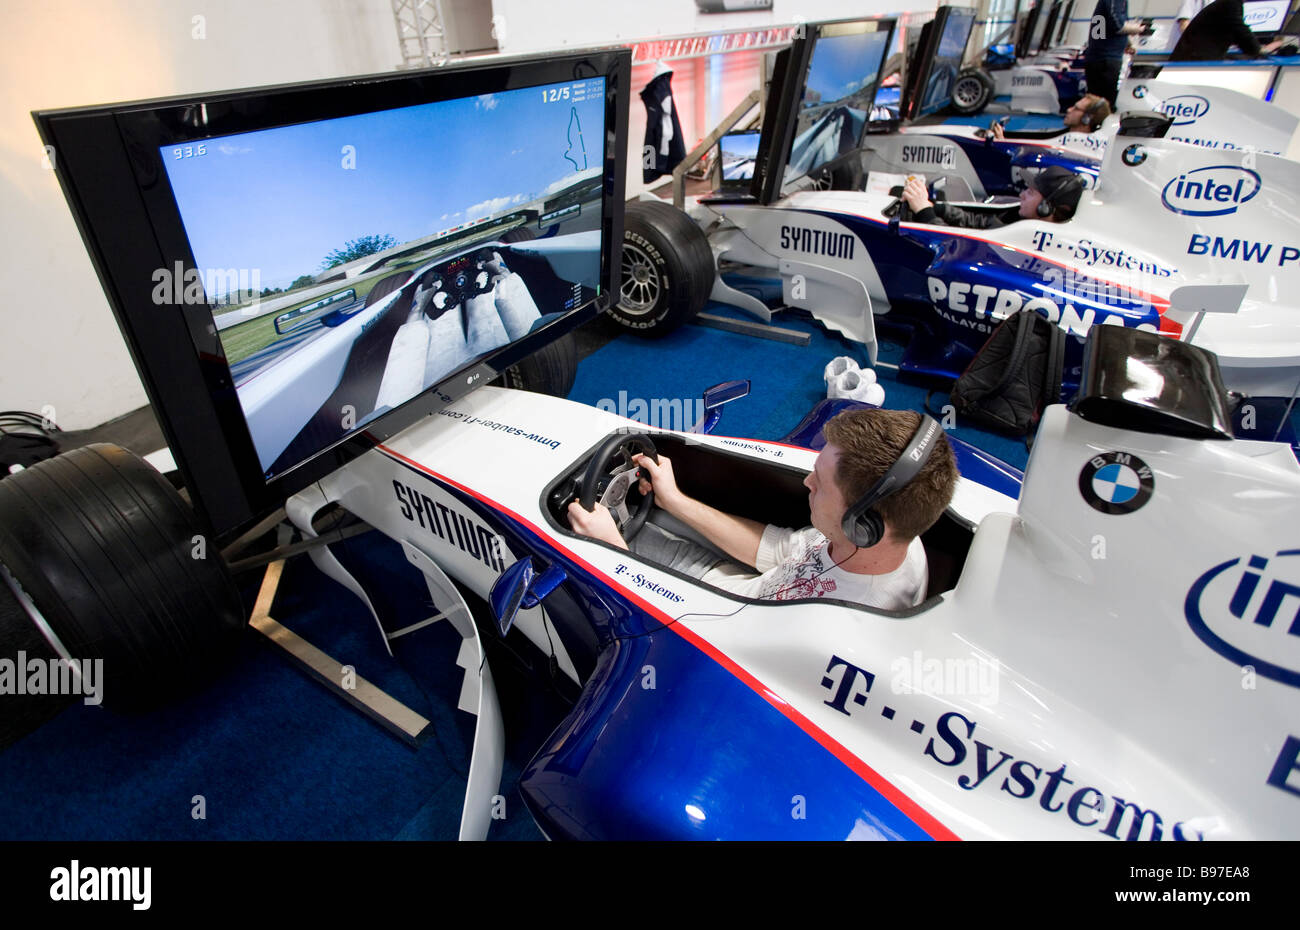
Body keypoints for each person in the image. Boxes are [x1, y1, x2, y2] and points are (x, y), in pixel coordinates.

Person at [566, 409, 959, 610]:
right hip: (743, 585)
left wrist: (610, 552)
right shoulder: (872, 541)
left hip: (712, 617)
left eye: (819, 485)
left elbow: (711, 641)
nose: (807, 483)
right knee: (653, 515)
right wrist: (677, 501)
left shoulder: (831, 625)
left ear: (864, 525)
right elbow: (777, 551)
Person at [900, 164, 1085, 229]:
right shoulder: (1021, 223)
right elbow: (978, 222)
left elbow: (954, 248)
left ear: (1046, 208)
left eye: (1030, 192)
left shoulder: (1026, 242)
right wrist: (933, 207)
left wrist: (924, 211)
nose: (1022, 195)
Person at [1169, 0, 1289, 60]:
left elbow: (1237, 34)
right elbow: (1240, 30)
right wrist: (1262, 50)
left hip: (1196, 59)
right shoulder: (1229, 3)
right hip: (1192, 62)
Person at [1082, 0, 1150, 107]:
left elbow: (1113, 24)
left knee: (1098, 102)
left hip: (1102, 56)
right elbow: (1117, 24)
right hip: (1104, 58)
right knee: (1103, 104)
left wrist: (1127, 44)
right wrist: (1139, 29)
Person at [991, 94, 1112, 140]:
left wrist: (1002, 143)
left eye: (1076, 108)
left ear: (1087, 118)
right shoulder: (1066, 136)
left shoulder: (1074, 146)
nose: (1069, 110)